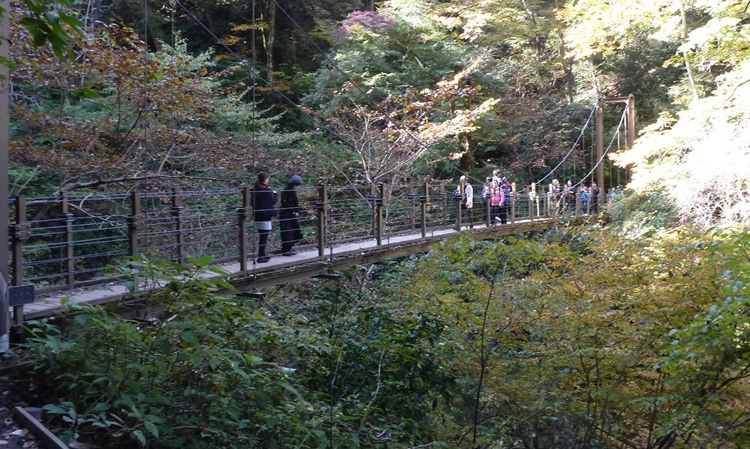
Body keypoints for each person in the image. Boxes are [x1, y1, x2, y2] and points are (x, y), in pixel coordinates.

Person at [250, 172, 278, 263]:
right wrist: (275, 193)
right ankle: (261, 256)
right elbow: (273, 201)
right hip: (265, 216)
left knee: (262, 236)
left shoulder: (254, 190)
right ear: (265, 179)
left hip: (257, 215)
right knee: (264, 237)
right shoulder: (267, 191)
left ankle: (262, 255)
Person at [280, 175, 304, 256]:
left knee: (293, 231)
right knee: (287, 232)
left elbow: (294, 203)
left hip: (291, 214)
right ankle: (286, 250)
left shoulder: (292, 191)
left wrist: (297, 210)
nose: (297, 187)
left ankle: (289, 249)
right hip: (286, 214)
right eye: (297, 185)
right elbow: (286, 203)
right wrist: (294, 211)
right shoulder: (287, 191)